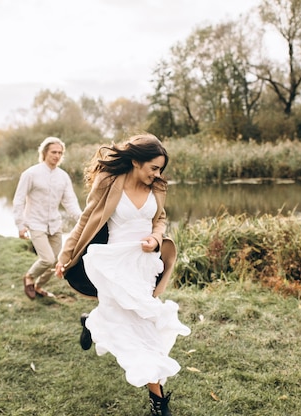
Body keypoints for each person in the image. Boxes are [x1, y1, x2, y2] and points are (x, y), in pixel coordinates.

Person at [55, 133, 190, 416]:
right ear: (136, 161)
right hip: (114, 266)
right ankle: (158, 401)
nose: (157, 174)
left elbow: (160, 218)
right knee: (140, 331)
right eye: (153, 167)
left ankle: (92, 322)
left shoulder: (158, 187)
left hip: (144, 266)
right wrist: (65, 256)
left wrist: (155, 237)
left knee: (144, 324)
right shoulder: (109, 181)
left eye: (160, 169)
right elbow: (86, 219)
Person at [13, 136, 82, 299]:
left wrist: (82, 219)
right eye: (53, 152)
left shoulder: (63, 176)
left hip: (55, 224)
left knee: (57, 261)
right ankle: (29, 277)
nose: (56, 156)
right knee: (47, 259)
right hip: (35, 223)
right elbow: (19, 200)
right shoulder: (30, 174)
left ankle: (38, 286)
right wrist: (20, 225)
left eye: (60, 153)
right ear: (44, 153)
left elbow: (70, 201)